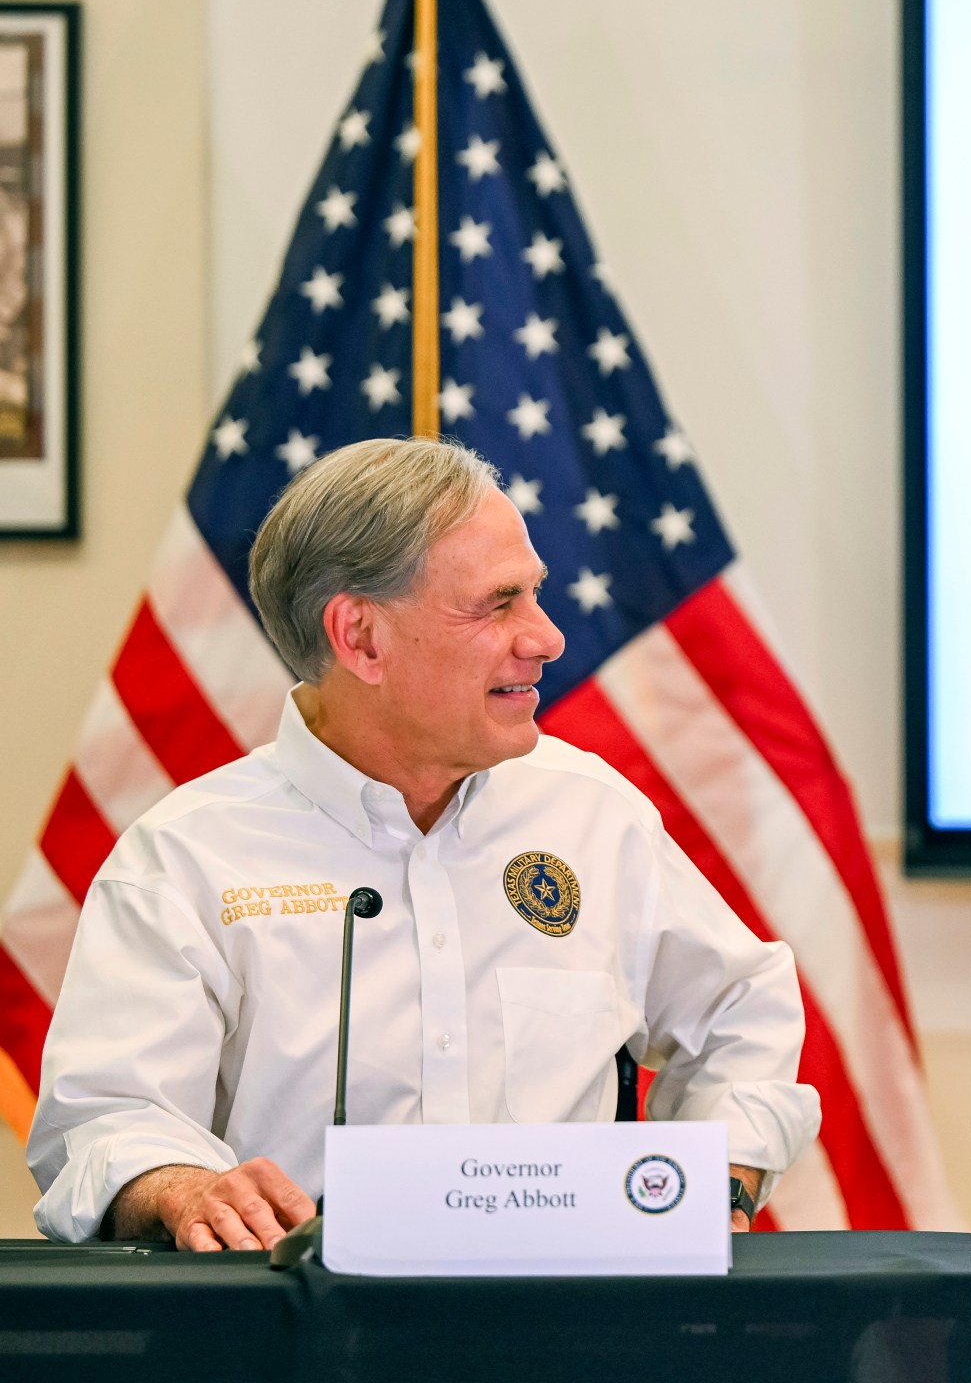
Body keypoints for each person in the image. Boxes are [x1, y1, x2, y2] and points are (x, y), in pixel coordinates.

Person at [28, 438, 818, 1248]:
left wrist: (719, 1179)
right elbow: (105, 1120)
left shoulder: (590, 815)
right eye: (498, 604)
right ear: (361, 638)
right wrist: (178, 1184)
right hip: (305, 1343)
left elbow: (740, 1009)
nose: (545, 638)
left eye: (535, 595)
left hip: (567, 1333)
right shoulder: (185, 859)